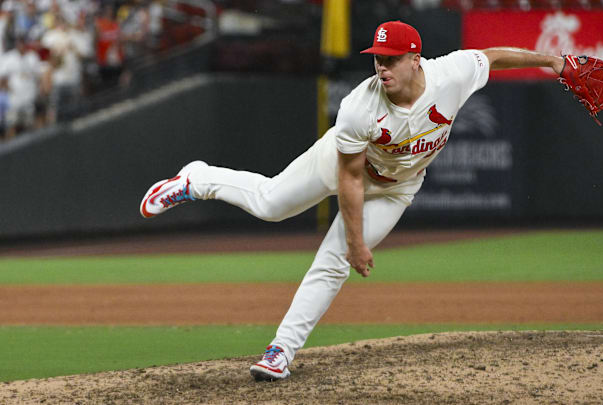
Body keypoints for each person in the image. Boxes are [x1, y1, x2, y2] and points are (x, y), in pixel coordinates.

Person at [139, 20, 565, 381]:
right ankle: (199, 179)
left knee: (332, 262)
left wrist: (553, 62)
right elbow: (350, 178)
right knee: (271, 205)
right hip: (343, 166)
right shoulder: (359, 107)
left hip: (398, 188)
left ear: (415, 59)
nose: (382, 66)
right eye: (378, 58)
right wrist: (357, 241)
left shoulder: (450, 74)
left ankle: (280, 351)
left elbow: (492, 56)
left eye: (392, 58)